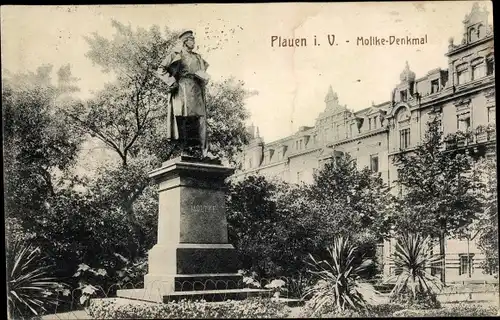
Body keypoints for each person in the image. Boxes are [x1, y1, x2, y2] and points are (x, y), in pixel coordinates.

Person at [157, 30, 210, 157]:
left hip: (196, 89)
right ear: (185, 42)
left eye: (194, 40)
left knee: (201, 119)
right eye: (191, 40)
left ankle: (205, 151)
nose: (194, 42)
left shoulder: (198, 57)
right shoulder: (176, 54)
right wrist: (171, 81)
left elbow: (203, 71)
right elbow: (160, 69)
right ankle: (186, 149)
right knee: (184, 118)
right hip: (182, 88)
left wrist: (204, 77)